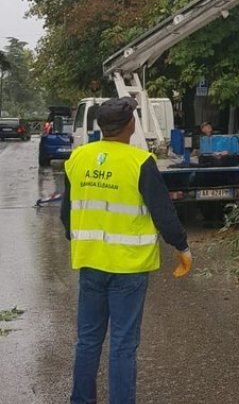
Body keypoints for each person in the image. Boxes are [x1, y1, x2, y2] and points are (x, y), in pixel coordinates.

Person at [61, 96, 192, 403]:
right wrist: (182, 247)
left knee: (88, 341)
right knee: (122, 345)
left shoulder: (78, 158)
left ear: (100, 126)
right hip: (129, 270)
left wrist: (80, 239)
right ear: (131, 126)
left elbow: (66, 214)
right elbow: (163, 213)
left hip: (91, 263)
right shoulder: (139, 162)